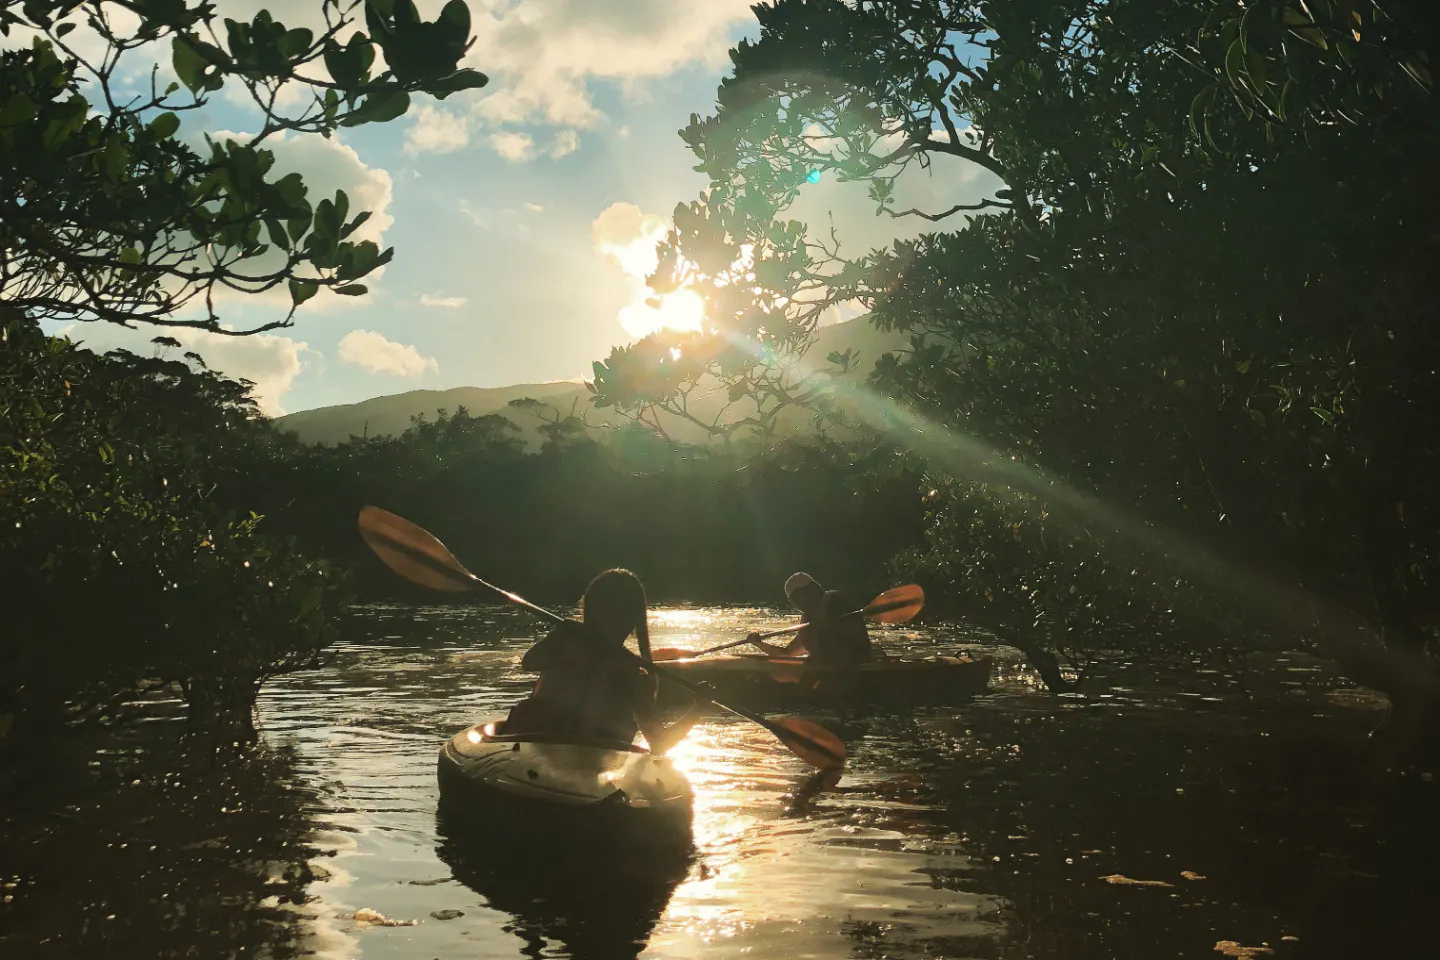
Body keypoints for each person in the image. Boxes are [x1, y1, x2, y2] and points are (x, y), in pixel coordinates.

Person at [503, 568, 699, 753]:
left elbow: (658, 744)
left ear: (630, 623)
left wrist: (697, 711)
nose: (606, 620)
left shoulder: (636, 677)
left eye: (614, 613)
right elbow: (528, 663)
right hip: (532, 751)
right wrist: (559, 634)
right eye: (603, 611)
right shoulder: (565, 641)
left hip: (591, 770)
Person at [747, 572, 875, 667]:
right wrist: (759, 644)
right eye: (793, 599)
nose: (797, 603)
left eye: (800, 595)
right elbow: (787, 653)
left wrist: (827, 625)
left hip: (854, 667)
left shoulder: (836, 602)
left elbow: (852, 636)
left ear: (814, 589)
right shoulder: (809, 620)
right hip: (830, 673)